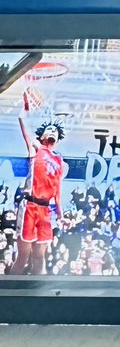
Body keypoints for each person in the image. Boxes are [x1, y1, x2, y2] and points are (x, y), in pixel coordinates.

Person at [10, 108, 67, 275]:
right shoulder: (35, 150)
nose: (53, 132)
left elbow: (57, 190)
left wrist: (61, 215)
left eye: (55, 131)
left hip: (45, 209)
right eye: (49, 129)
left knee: (39, 257)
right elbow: (24, 126)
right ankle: (9, 293)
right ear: (41, 136)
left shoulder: (59, 160)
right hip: (29, 205)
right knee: (23, 256)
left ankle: (39, 293)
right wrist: (24, 111)